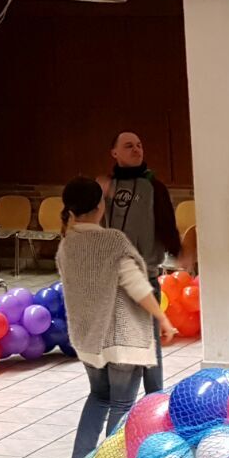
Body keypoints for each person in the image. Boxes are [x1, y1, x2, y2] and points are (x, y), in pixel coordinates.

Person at [56, 176, 176, 458]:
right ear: (100, 206)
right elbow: (136, 286)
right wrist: (162, 318)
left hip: (88, 338)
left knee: (98, 397)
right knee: (122, 404)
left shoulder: (67, 244)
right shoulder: (112, 241)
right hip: (122, 338)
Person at [99, 131, 182, 392]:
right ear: (114, 153)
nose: (136, 149)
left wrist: (180, 252)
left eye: (139, 145)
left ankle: (154, 397)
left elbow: (167, 226)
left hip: (144, 276)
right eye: (129, 146)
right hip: (112, 278)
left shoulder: (154, 187)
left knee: (149, 341)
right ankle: (121, 399)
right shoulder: (104, 187)